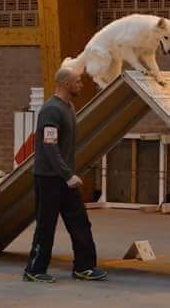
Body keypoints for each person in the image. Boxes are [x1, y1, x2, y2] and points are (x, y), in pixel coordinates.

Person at [23, 66, 107, 283]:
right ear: (65, 84)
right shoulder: (51, 110)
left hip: (64, 178)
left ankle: (84, 267)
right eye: (77, 81)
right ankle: (34, 270)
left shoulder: (68, 107)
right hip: (49, 178)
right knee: (46, 225)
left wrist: (68, 174)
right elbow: (49, 146)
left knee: (80, 222)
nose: (81, 85)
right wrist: (67, 175)